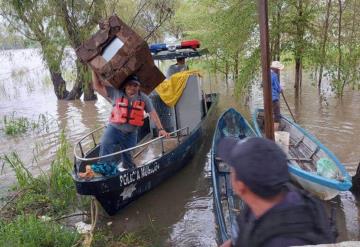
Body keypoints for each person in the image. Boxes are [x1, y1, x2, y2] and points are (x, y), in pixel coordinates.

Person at [217, 137, 336, 247]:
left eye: (232, 168)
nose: (230, 172)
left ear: (240, 186)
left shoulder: (284, 241)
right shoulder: (282, 193)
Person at [80, 71, 170, 178]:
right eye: (130, 84)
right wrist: (94, 71)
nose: (132, 87)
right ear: (125, 85)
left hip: (131, 134)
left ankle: (128, 173)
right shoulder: (116, 93)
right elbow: (97, 86)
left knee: (128, 160)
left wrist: (161, 129)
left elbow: (153, 113)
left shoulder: (144, 98)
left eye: (135, 85)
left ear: (139, 87)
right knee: (105, 144)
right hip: (114, 129)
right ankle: (101, 171)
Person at [270, 61, 284, 131]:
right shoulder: (274, 75)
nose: (279, 71)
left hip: (268, 98)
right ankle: (275, 132)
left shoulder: (267, 74)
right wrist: (281, 89)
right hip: (274, 98)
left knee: (271, 113)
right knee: (277, 117)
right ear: (276, 69)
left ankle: (271, 129)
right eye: (278, 69)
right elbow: (278, 88)